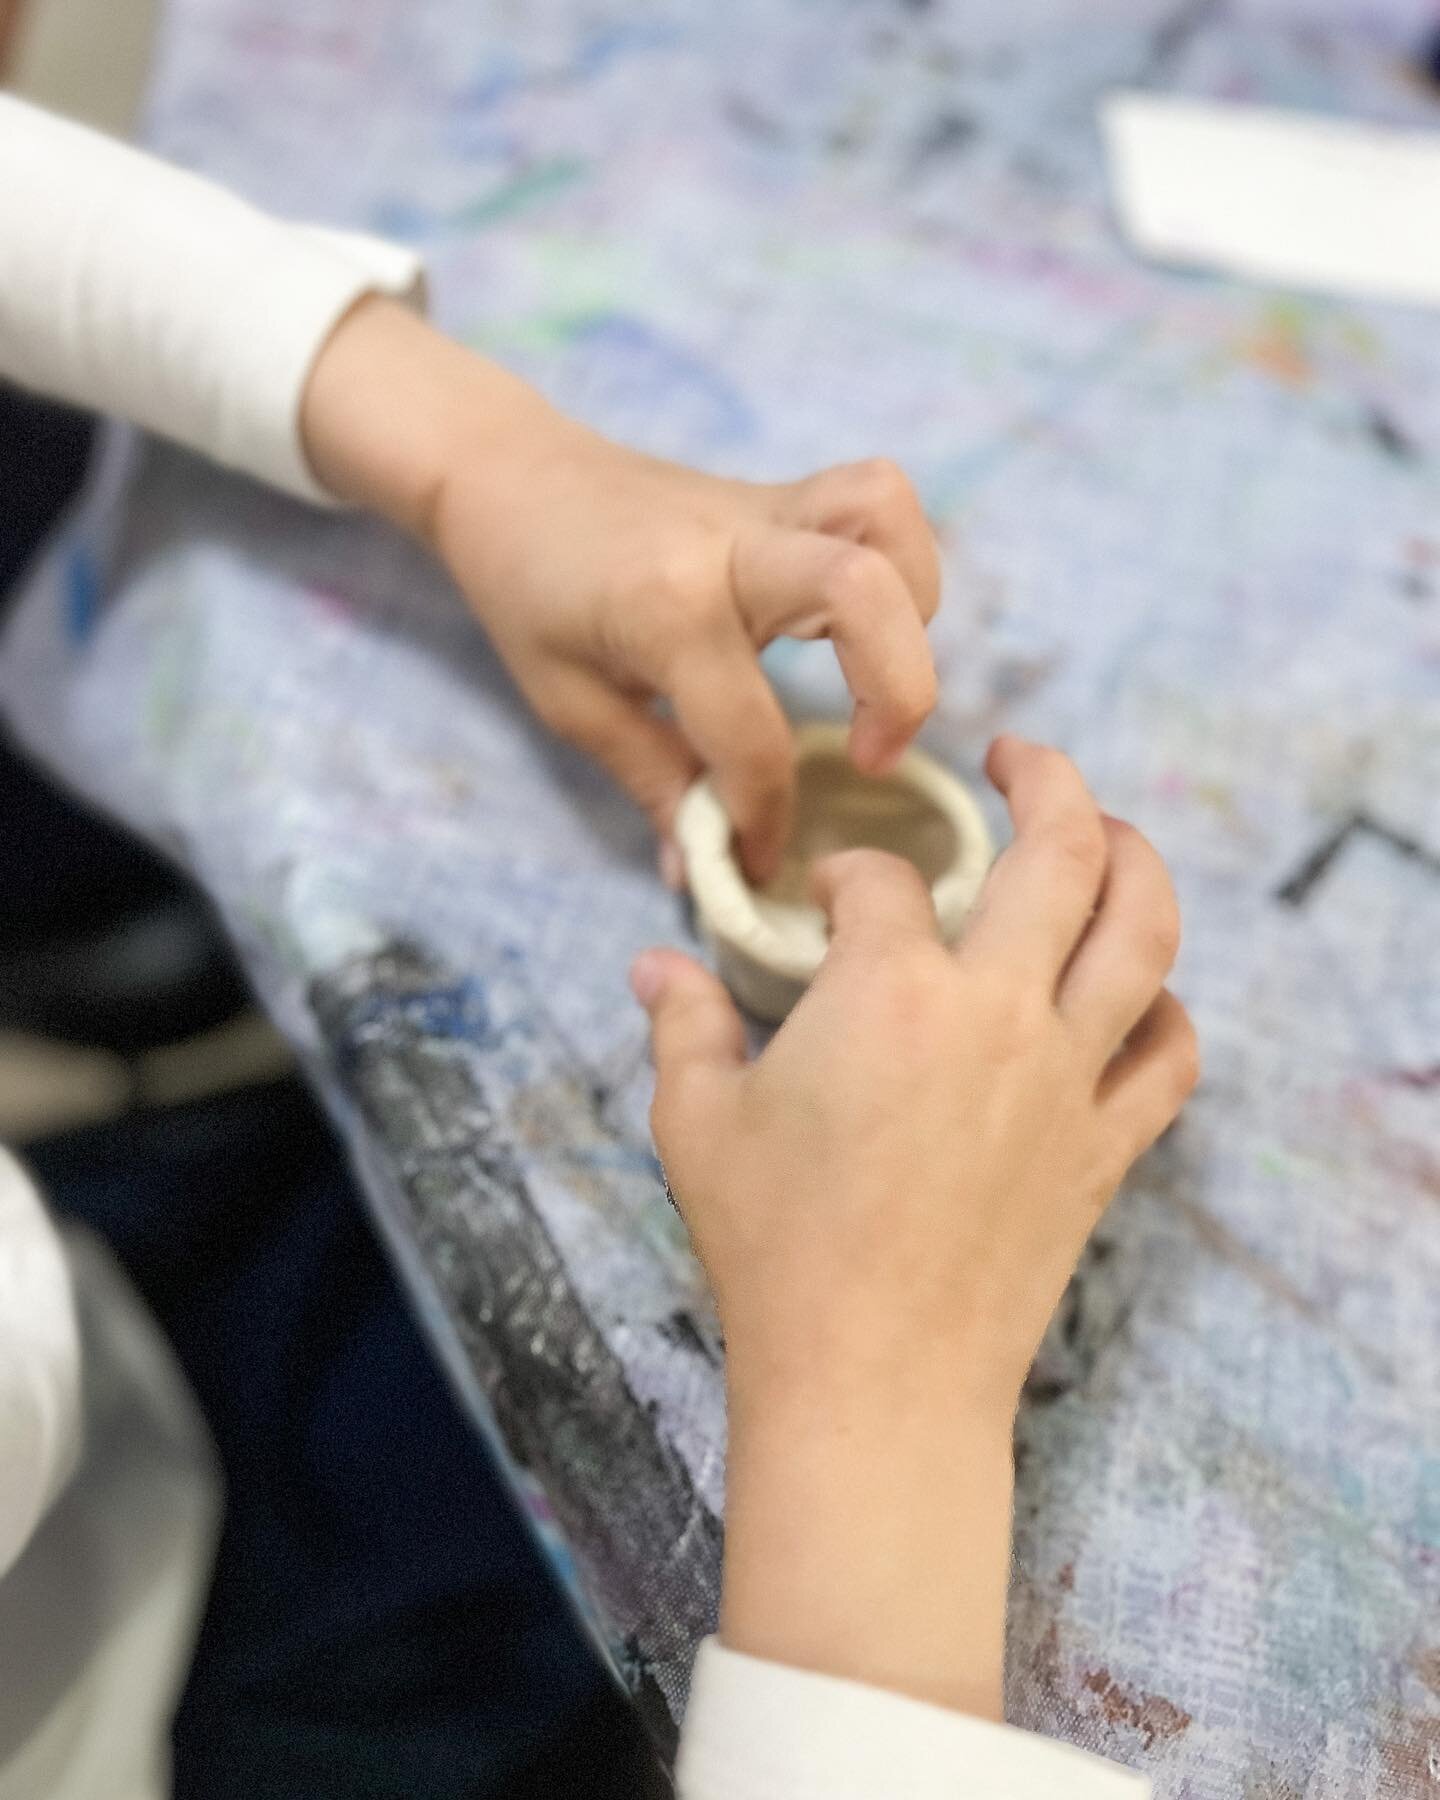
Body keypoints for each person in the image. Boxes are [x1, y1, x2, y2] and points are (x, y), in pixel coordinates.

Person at [0, 93, 1195, 1796]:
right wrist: (883, 1392)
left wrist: (476, 449)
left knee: (364, 1276)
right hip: (157, 1720)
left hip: (89, 1327)